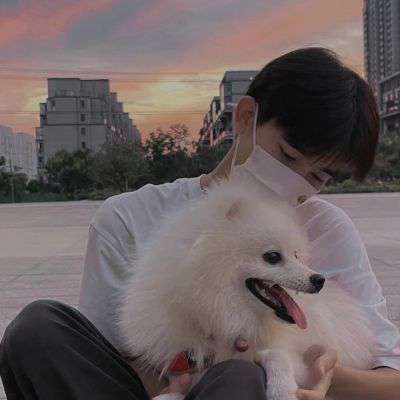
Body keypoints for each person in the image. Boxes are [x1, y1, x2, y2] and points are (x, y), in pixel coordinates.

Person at [1, 47, 400, 400]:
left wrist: (319, 375)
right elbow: (105, 363)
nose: (297, 181)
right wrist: (186, 374)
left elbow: (391, 379)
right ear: (246, 117)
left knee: (242, 376)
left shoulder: (326, 227)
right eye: (289, 156)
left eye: (318, 176)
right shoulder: (127, 216)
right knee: (36, 329)